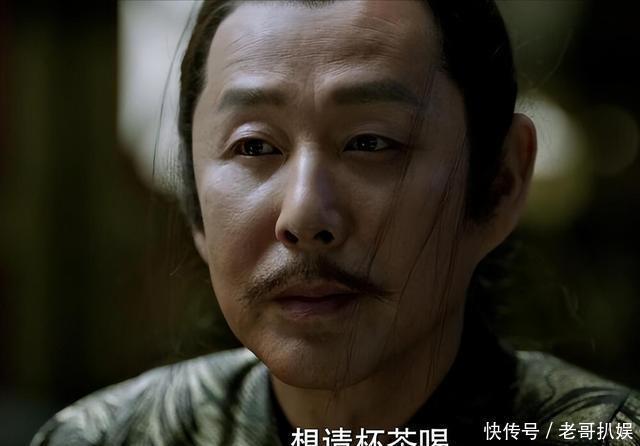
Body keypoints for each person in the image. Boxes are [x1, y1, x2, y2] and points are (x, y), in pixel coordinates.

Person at [32, 1, 640, 445]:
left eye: (370, 143)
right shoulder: (111, 436)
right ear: (195, 203)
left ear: (499, 182)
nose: (303, 216)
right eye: (253, 147)